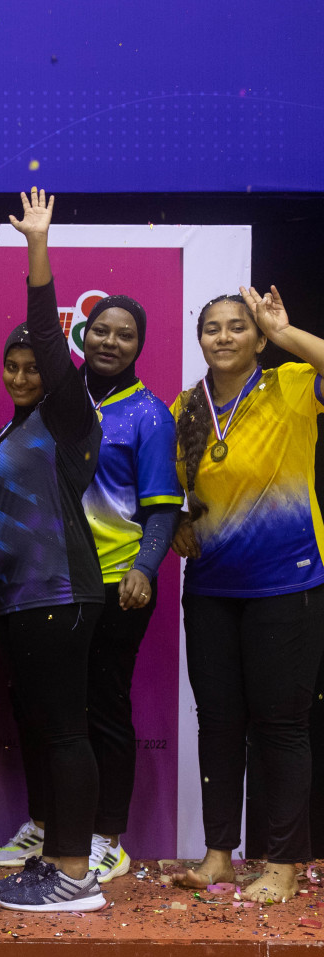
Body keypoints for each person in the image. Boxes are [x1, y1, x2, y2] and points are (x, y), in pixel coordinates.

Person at [0, 295, 181, 881]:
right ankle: (46, 826)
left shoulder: (150, 415)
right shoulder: (53, 403)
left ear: (140, 345)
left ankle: (105, 838)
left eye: (124, 334)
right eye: (100, 331)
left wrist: (144, 566)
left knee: (100, 709)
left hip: (116, 582)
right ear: (82, 336)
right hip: (46, 583)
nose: (109, 342)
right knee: (45, 710)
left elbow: (163, 509)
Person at [0, 188, 106, 912]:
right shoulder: (9, 441)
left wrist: (37, 248)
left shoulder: (68, 422)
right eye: (12, 368)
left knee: (64, 733)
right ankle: (52, 860)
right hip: (21, 602)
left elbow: (52, 346)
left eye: (34, 367)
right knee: (42, 733)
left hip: (63, 594)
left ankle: (76, 876)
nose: (22, 375)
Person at [169, 286, 324, 903]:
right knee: (219, 725)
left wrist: (284, 331)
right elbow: (171, 491)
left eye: (239, 327)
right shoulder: (184, 408)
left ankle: (285, 864)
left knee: (281, 726)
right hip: (211, 587)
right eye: (213, 328)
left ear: (257, 338)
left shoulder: (290, 384)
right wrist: (178, 518)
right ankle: (217, 857)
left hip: (286, 583)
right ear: (200, 339)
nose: (225, 336)